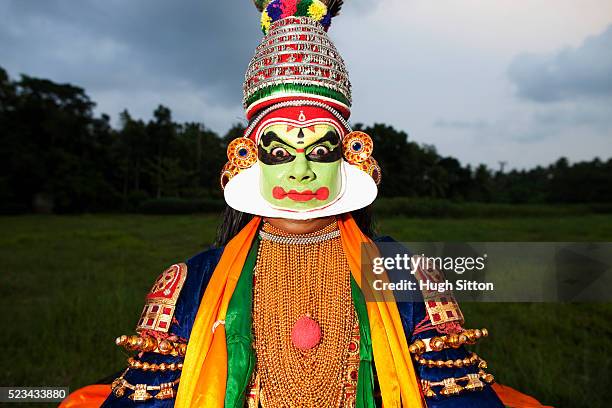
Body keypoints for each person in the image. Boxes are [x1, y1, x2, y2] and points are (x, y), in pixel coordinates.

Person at [61, 1, 550, 407]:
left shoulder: (402, 272)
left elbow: (455, 393)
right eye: (279, 152)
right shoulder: (194, 282)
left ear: (352, 156)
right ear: (249, 158)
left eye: (321, 150)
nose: (300, 171)